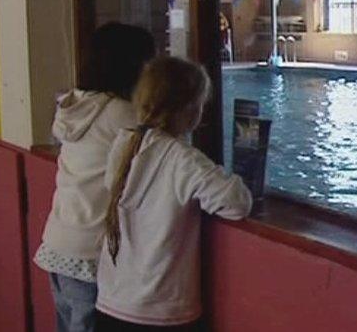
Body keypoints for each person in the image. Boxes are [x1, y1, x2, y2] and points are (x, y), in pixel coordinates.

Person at [96, 56, 252, 330]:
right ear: (191, 110)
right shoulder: (184, 161)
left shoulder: (123, 144)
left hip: (111, 302)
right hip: (162, 312)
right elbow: (237, 203)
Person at [34, 23, 156, 332]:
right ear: (132, 66)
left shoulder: (74, 104)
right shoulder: (123, 115)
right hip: (90, 253)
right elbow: (158, 160)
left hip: (58, 243)